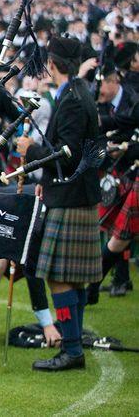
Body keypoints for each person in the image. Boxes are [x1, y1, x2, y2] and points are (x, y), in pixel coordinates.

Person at [17, 36, 102, 372]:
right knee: (74, 278)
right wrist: (45, 183)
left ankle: (70, 349)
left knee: (58, 278)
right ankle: (74, 341)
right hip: (73, 193)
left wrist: (30, 151)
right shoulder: (79, 93)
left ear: (52, 64)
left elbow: (66, 156)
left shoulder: (72, 101)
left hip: (70, 196)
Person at [88, 59, 139, 302]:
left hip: (130, 167)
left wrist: (127, 150)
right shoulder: (112, 103)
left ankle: (97, 286)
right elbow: (129, 123)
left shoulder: (131, 96)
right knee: (120, 236)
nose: (99, 92)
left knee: (120, 237)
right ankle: (94, 287)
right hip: (124, 170)